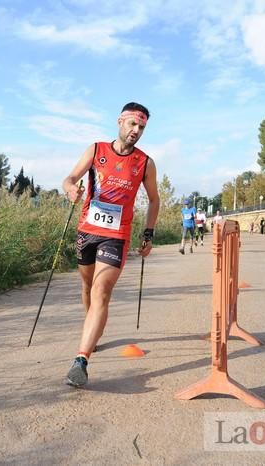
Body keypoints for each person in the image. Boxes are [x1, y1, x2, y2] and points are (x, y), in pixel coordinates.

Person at [61, 102, 160, 388]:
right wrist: (71, 190)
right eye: (132, 124)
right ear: (120, 121)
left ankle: (81, 359)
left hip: (117, 235)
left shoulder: (145, 163)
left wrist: (149, 233)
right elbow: (69, 179)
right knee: (87, 286)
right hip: (87, 230)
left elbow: (154, 199)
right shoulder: (96, 150)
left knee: (101, 290)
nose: (136, 131)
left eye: (141, 127)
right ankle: (93, 328)